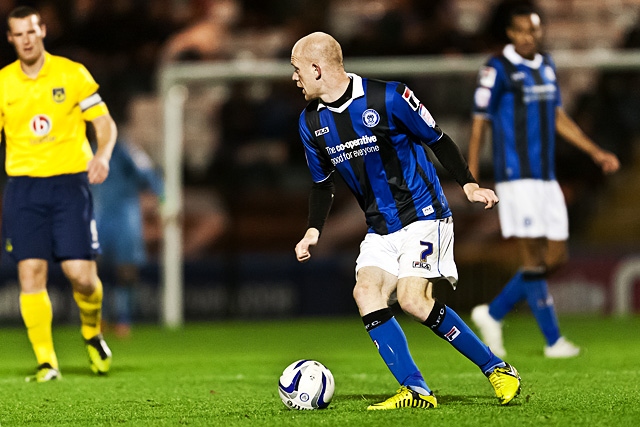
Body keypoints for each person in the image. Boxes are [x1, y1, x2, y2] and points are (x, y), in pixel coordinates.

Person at [291, 32, 521, 410]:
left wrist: (468, 184)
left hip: (423, 214)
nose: (295, 78)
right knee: (366, 293)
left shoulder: (390, 97)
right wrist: (312, 230)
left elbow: (439, 139)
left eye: (297, 69)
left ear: (317, 69)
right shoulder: (311, 122)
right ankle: (416, 389)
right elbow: (322, 184)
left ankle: (497, 368)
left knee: (414, 300)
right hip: (380, 226)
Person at [467, 6, 620, 359]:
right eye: (521, 31)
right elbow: (479, 122)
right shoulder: (497, 69)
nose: (528, 37)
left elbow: (556, 114)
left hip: (545, 177)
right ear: (510, 33)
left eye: (533, 31)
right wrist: (472, 177)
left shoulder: (546, 64)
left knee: (556, 256)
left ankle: (492, 312)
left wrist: (595, 151)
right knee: (533, 258)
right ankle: (553, 340)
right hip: (516, 178)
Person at [0, 6, 117, 382]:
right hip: (23, 187)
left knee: (81, 276)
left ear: (43, 31)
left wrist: (102, 155)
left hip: (69, 184)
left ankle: (91, 331)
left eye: (31, 31)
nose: (26, 39)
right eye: (19, 34)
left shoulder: (71, 73)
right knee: (30, 272)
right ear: (10, 38)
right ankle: (47, 362)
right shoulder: (3, 83)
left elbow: (103, 122)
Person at [91, 139, 163, 338]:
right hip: (97, 213)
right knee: (92, 268)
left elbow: (149, 175)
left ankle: (124, 318)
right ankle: (99, 317)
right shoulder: (86, 149)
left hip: (125, 215)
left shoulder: (126, 149)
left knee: (127, 269)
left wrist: (163, 202)